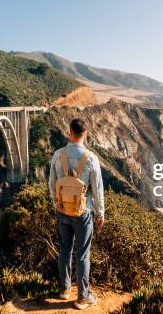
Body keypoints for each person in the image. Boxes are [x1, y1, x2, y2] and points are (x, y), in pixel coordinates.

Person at [48, 118, 104, 310]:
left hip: (62, 211)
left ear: (69, 132)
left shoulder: (58, 155)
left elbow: (51, 183)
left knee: (64, 248)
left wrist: (56, 204)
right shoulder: (91, 158)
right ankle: (82, 297)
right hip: (83, 213)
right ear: (85, 133)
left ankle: (64, 290)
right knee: (82, 255)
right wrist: (100, 212)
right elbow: (97, 189)